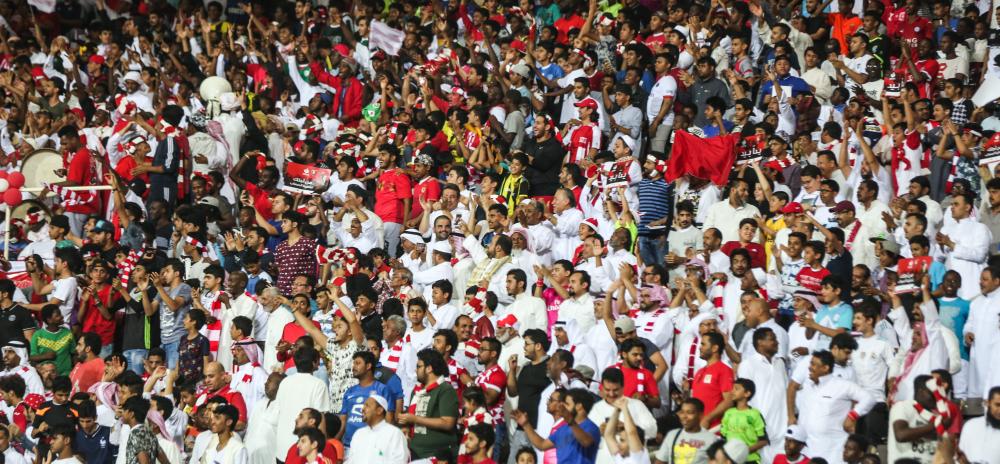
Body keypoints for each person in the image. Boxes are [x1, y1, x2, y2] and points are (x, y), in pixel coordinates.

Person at [512, 388, 601, 464]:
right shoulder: (563, 429)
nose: (562, 406)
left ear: (579, 407)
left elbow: (586, 441)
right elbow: (542, 445)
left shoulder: (591, 427)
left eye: (566, 404)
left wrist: (570, 421)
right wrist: (526, 424)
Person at [346, 393, 409, 464]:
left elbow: (399, 461)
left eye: (367, 406)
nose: (362, 409)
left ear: (379, 410)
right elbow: (350, 461)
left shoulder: (394, 433)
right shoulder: (358, 433)